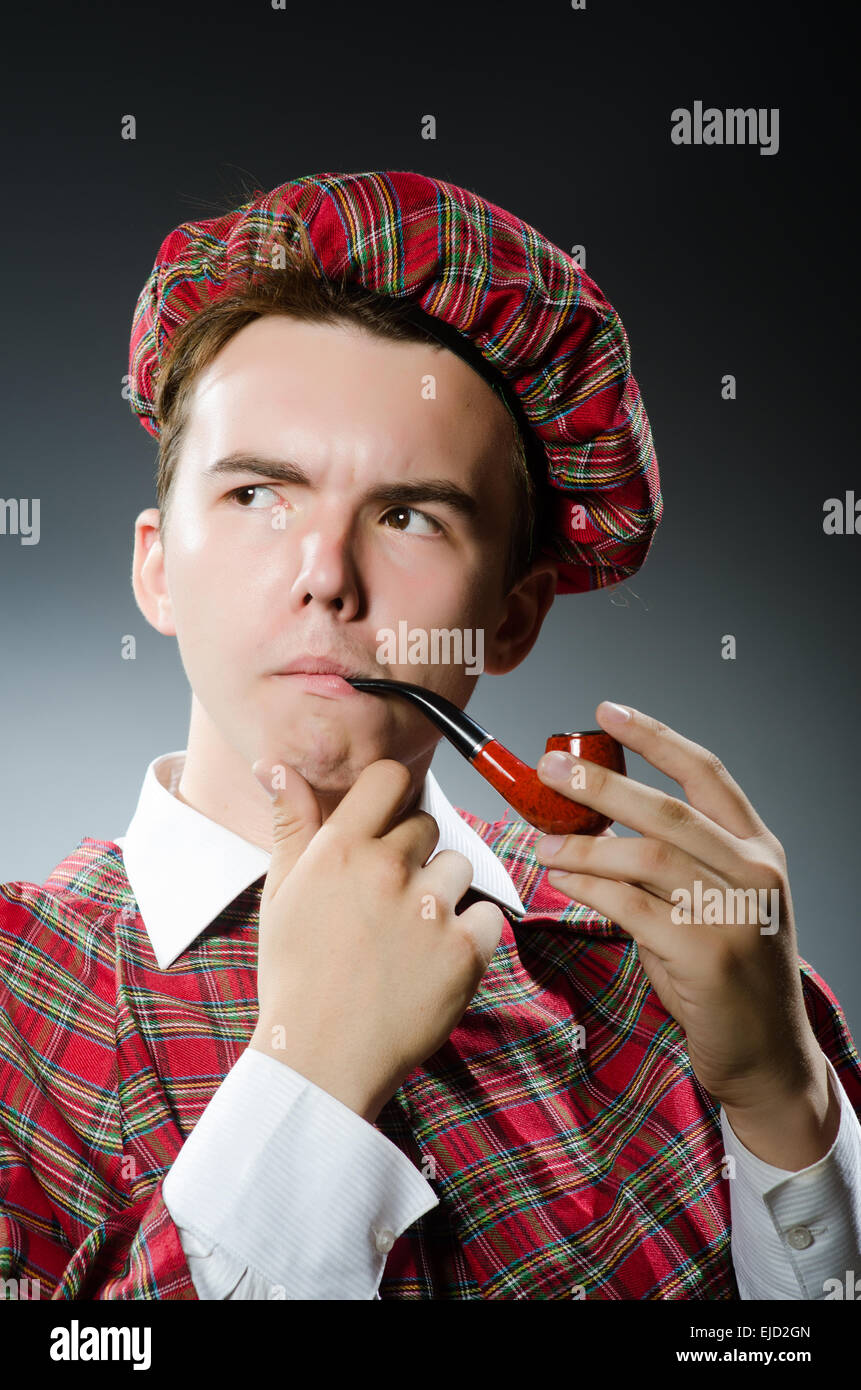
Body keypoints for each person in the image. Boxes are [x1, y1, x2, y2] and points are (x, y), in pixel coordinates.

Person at [1, 171, 859, 1301]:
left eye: (407, 514)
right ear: (156, 566)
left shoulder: (671, 980)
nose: (326, 578)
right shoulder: (17, 1000)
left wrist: (785, 1105)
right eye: (261, 494)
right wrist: (307, 1081)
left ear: (511, 616)